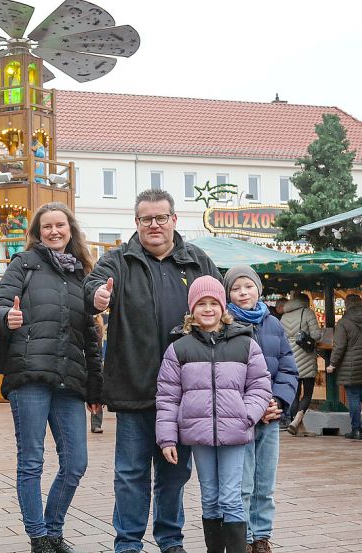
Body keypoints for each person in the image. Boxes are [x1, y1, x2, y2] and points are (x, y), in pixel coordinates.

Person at [83, 189, 223, 553]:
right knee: (130, 474)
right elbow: (93, 284)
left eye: (161, 217)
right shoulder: (118, 260)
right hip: (134, 386)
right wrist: (98, 296)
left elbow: (223, 316)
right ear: (137, 223)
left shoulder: (198, 263)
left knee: (174, 474)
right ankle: (128, 542)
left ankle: (170, 539)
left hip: (185, 393)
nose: (154, 225)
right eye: (147, 219)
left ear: (174, 220)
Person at [0, 202, 103, 553]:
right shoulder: (23, 264)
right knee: (31, 462)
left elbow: (91, 336)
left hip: (69, 380)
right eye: (47, 227)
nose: (54, 231)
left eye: (60, 225)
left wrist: (96, 387)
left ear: (71, 229)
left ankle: (54, 530)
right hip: (29, 376)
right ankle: (39, 537)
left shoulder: (82, 274)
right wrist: (7, 315)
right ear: (37, 234)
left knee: (75, 463)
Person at [157, 276, 272, 553]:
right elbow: (168, 396)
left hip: (235, 433)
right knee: (209, 497)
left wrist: (247, 415)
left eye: (213, 303)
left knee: (231, 497)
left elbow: (260, 385)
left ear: (223, 307)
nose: (207, 309)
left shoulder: (245, 344)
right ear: (191, 310)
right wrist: (167, 439)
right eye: (201, 304)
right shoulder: (179, 349)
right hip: (199, 436)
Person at [224, 265, 298, 553]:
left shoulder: (273, 324)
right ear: (228, 292)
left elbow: (288, 369)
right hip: (241, 418)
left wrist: (277, 401)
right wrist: (252, 406)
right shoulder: (225, 325)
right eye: (236, 288)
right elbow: (223, 375)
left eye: (248, 286)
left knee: (264, 482)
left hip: (270, 417)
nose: (243, 293)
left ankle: (262, 537)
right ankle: (242, 537)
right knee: (242, 483)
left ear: (258, 289)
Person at [327, 294, 362, 441]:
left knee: (354, 398)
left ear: (347, 305)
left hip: (351, 367)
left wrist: (332, 364)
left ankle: (356, 430)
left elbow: (339, 347)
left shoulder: (344, 323)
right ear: (361, 304)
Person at [279, 294, 323, 435]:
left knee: (295, 393)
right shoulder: (307, 312)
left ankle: (298, 426)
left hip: (290, 357)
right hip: (306, 356)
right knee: (308, 393)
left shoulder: (284, 316)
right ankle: (296, 421)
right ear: (306, 302)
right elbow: (316, 335)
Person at [90, 313, 108, 434]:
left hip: (100, 361)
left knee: (97, 391)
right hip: (93, 361)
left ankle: (96, 423)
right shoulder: (95, 323)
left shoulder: (100, 324)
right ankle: (95, 423)